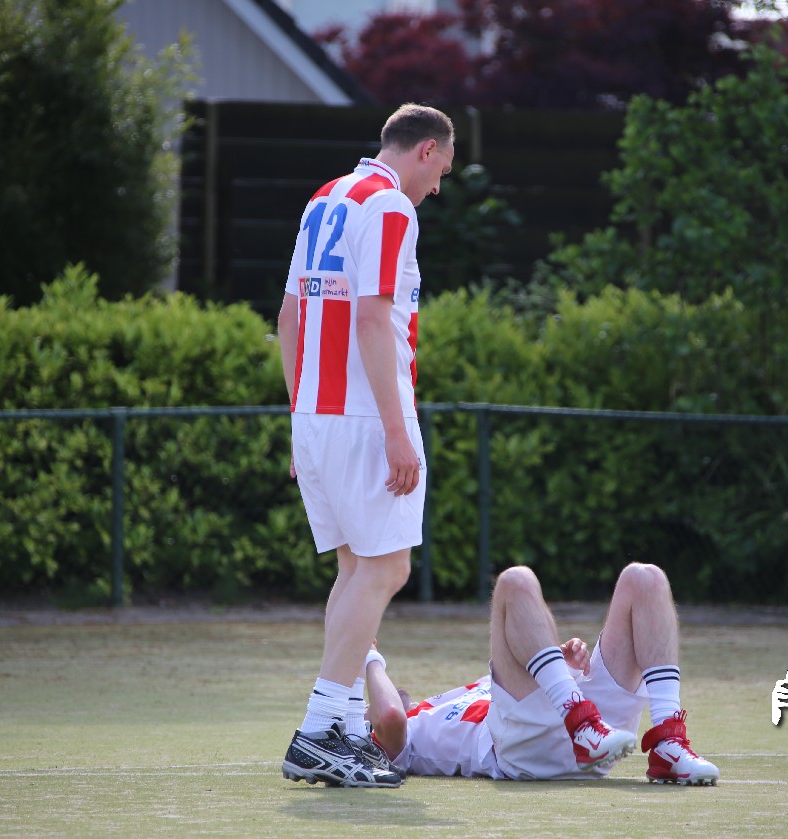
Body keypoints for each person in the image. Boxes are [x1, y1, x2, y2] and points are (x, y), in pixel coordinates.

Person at [278, 104, 456, 789]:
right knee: (386, 570)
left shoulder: (324, 197)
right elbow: (375, 320)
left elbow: (289, 317)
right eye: (441, 169)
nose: (437, 186)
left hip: (316, 413)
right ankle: (320, 728)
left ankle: (347, 732)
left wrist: (300, 418)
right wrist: (396, 431)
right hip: (364, 418)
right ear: (425, 150)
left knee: (355, 571)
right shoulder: (389, 205)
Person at [364, 563, 721, 785]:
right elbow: (390, 715)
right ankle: (581, 723)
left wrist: (561, 663)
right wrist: (368, 656)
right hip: (526, 752)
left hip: (594, 732)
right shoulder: (401, 737)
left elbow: (521, 686)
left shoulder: (444, 701)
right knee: (513, 581)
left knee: (645, 579)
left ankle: (668, 744)